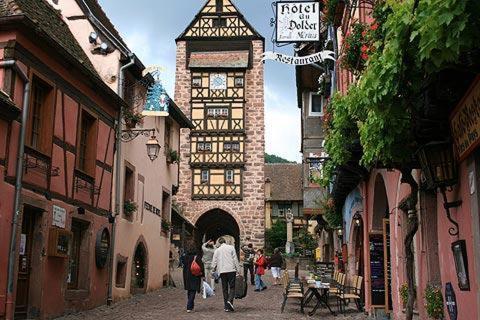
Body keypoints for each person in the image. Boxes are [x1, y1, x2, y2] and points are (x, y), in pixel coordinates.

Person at [211, 237, 240, 312]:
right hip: (231, 270)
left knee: (224, 289)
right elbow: (235, 259)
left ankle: (226, 306)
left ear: (219, 243)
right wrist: (238, 269)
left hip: (222, 271)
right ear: (225, 241)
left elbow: (214, 261)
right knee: (232, 287)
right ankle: (230, 301)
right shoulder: (231, 248)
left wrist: (213, 270)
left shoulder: (217, 250)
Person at [181, 241, 205, 313]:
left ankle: (191, 305)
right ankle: (189, 306)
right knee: (193, 291)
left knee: (189, 290)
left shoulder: (185, 256)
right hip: (195, 275)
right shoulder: (196, 257)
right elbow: (201, 267)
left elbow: (183, 264)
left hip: (187, 275)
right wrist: (203, 275)